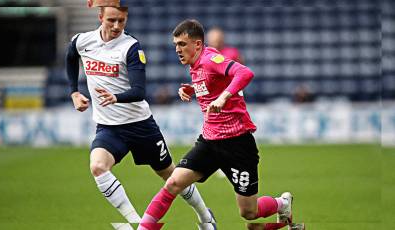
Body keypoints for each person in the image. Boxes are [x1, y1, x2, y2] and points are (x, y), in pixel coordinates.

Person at [138, 19, 305, 230]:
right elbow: (212, 82)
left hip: (237, 144)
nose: (178, 50)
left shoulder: (209, 59)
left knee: (249, 212)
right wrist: (193, 89)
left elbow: (245, 73)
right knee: (173, 183)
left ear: (197, 44)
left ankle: (282, 204)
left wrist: (224, 97)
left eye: (182, 44)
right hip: (209, 142)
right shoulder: (195, 65)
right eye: (175, 45)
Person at [66, 6, 216, 230]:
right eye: (112, 20)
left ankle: (205, 216)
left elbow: (139, 91)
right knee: (98, 167)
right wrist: (74, 92)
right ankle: (137, 224)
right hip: (108, 127)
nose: (117, 26)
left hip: (140, 125)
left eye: (122, 21)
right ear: (100, 18)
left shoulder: (130, 47)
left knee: (172, 176)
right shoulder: (82, 41)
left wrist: (115, 97)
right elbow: (71, 57)